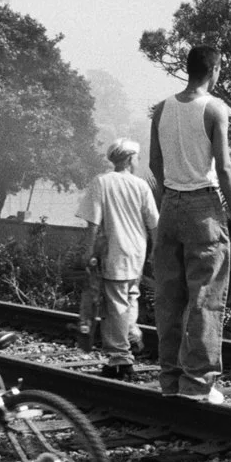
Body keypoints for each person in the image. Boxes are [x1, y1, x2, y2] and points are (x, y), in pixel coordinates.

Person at [148, 44, 231, 403]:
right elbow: (225, 168)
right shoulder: (215, 109)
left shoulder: (161, 109)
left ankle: (169, 380)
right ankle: (198, 383)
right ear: (214, 69)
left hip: (170, 203)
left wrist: (167, 199)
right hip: (204, 205)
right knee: (205, 296)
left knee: (169, 298)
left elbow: (155, 163)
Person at [73, 138, 160, 381]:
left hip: (115, 251)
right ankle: (130, 332)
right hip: (137, 252)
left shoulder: (102, 182)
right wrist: (154, 251)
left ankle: (121, 359)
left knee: (116, 306)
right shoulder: (141, 186)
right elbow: (154, 224)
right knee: (130, 297)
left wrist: (88, 251)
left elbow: (92, 223)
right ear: (131, 159)